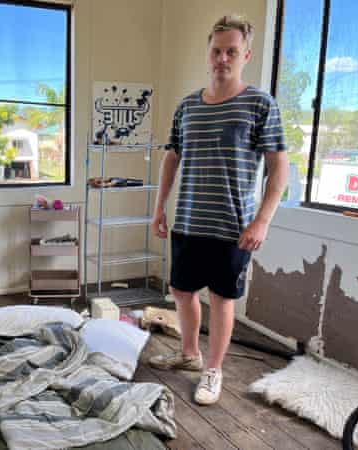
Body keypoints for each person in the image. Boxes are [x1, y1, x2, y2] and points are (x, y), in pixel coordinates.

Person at [149, 15, 288, 405]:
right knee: (181, 289)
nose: (222, 59)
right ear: (208, 54)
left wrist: (263, 219)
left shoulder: (260, 104)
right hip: (189, 220)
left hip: (234, 227)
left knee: (223, 298)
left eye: (231, 51)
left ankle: (213, 370)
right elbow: (171, 157)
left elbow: (279, 168)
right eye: (216, 51)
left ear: (245, 54)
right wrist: (160, 207)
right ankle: (189, 355)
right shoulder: (187, 106)